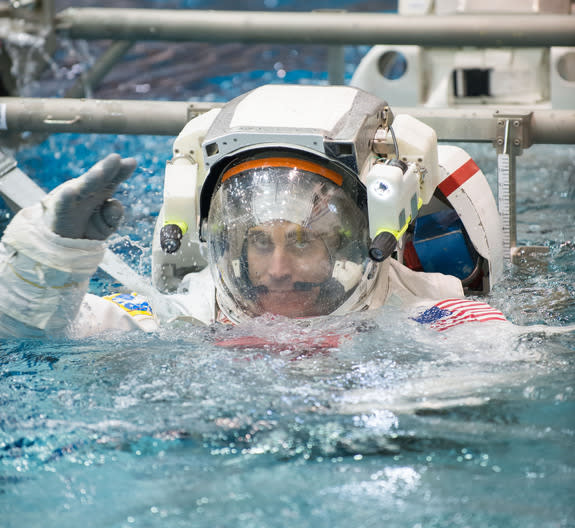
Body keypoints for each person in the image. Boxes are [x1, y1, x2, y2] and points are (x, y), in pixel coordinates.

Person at [0, 84, 507, 339]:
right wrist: (52, 251)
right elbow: (32, 334)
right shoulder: (185, 320)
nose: (278, 271)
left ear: (366, 237)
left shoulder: (439, 325)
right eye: (260, 241)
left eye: (304, 240)